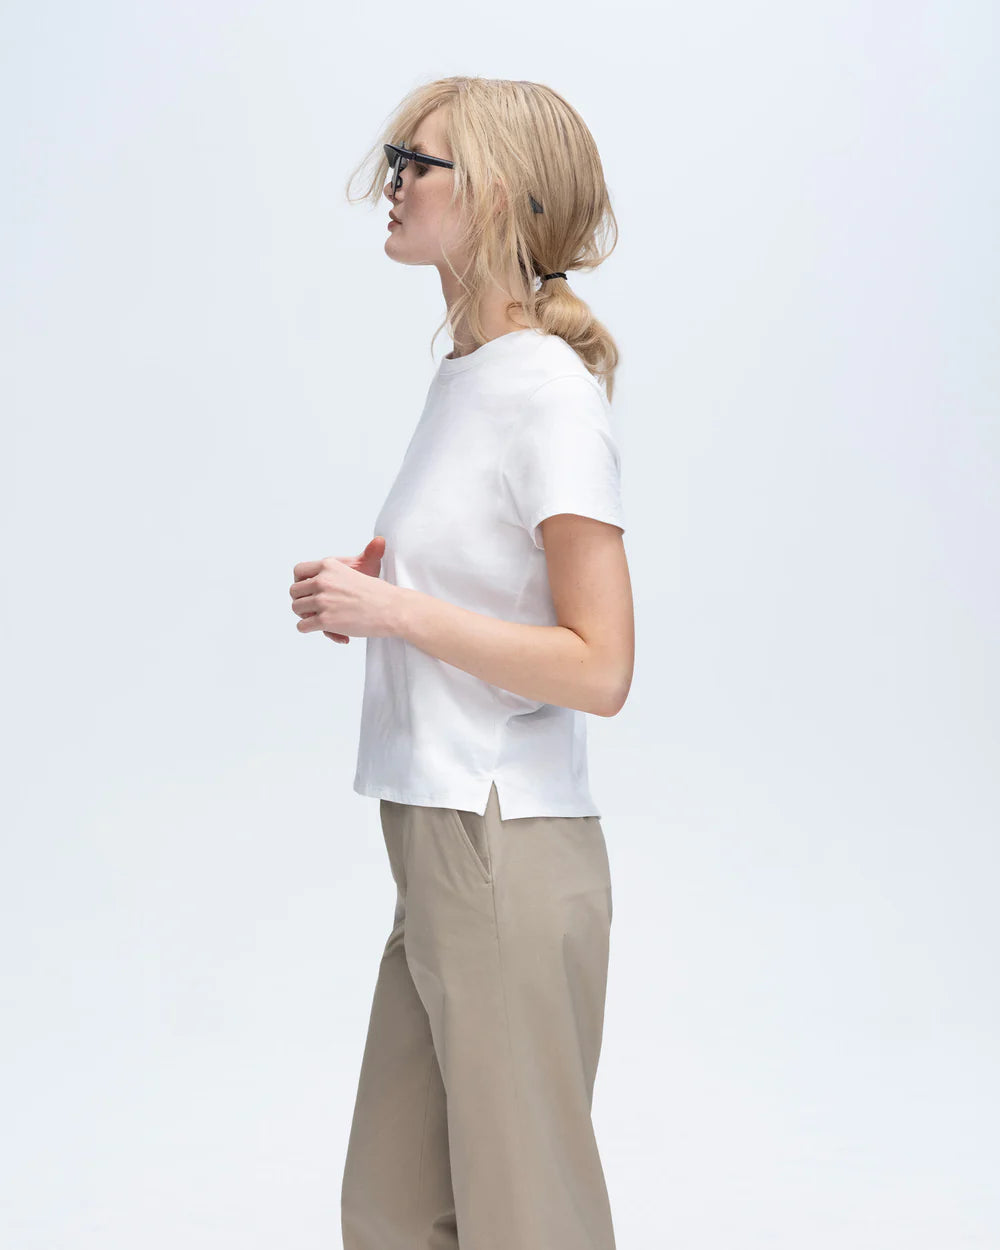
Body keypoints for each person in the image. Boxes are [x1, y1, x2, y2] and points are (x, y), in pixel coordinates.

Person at [290, 75, 633, 1250]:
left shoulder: (546, 394)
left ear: (490, 194)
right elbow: (475, 593)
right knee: (391, 1212)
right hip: (435, 846)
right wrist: (373, 597)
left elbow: (600, 665)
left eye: (416, 162)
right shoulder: (468, 376)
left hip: (502, 845)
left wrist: (397, 610)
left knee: (528, 1223)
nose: (391, 182)